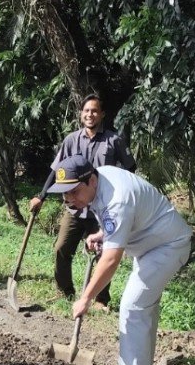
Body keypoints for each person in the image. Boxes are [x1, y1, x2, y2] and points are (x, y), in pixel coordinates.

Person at [48, 154, 191, 365]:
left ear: (90, 180)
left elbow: (112, 259)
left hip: (167, 246)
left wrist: (86, 298)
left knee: (133, 306)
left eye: (73, 191)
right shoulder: (100, 182)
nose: (69, 199)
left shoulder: (117, 199)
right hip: (150, 243)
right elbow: (121, 219)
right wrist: (103, 233)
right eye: (64, 194)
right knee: (139, 308)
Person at [29, 94, 137, 308]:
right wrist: (41, 196)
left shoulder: (113, 141)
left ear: (102, 114)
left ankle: (100, 299)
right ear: (81, 114)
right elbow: (55, 170)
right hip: (75, 208)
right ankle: (65, 291)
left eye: (95, 111)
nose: (90, 114)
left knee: (102, 254)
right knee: (61, 247)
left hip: (101, 209)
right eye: (87, 111)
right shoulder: (71, 140)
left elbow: (130, 169)